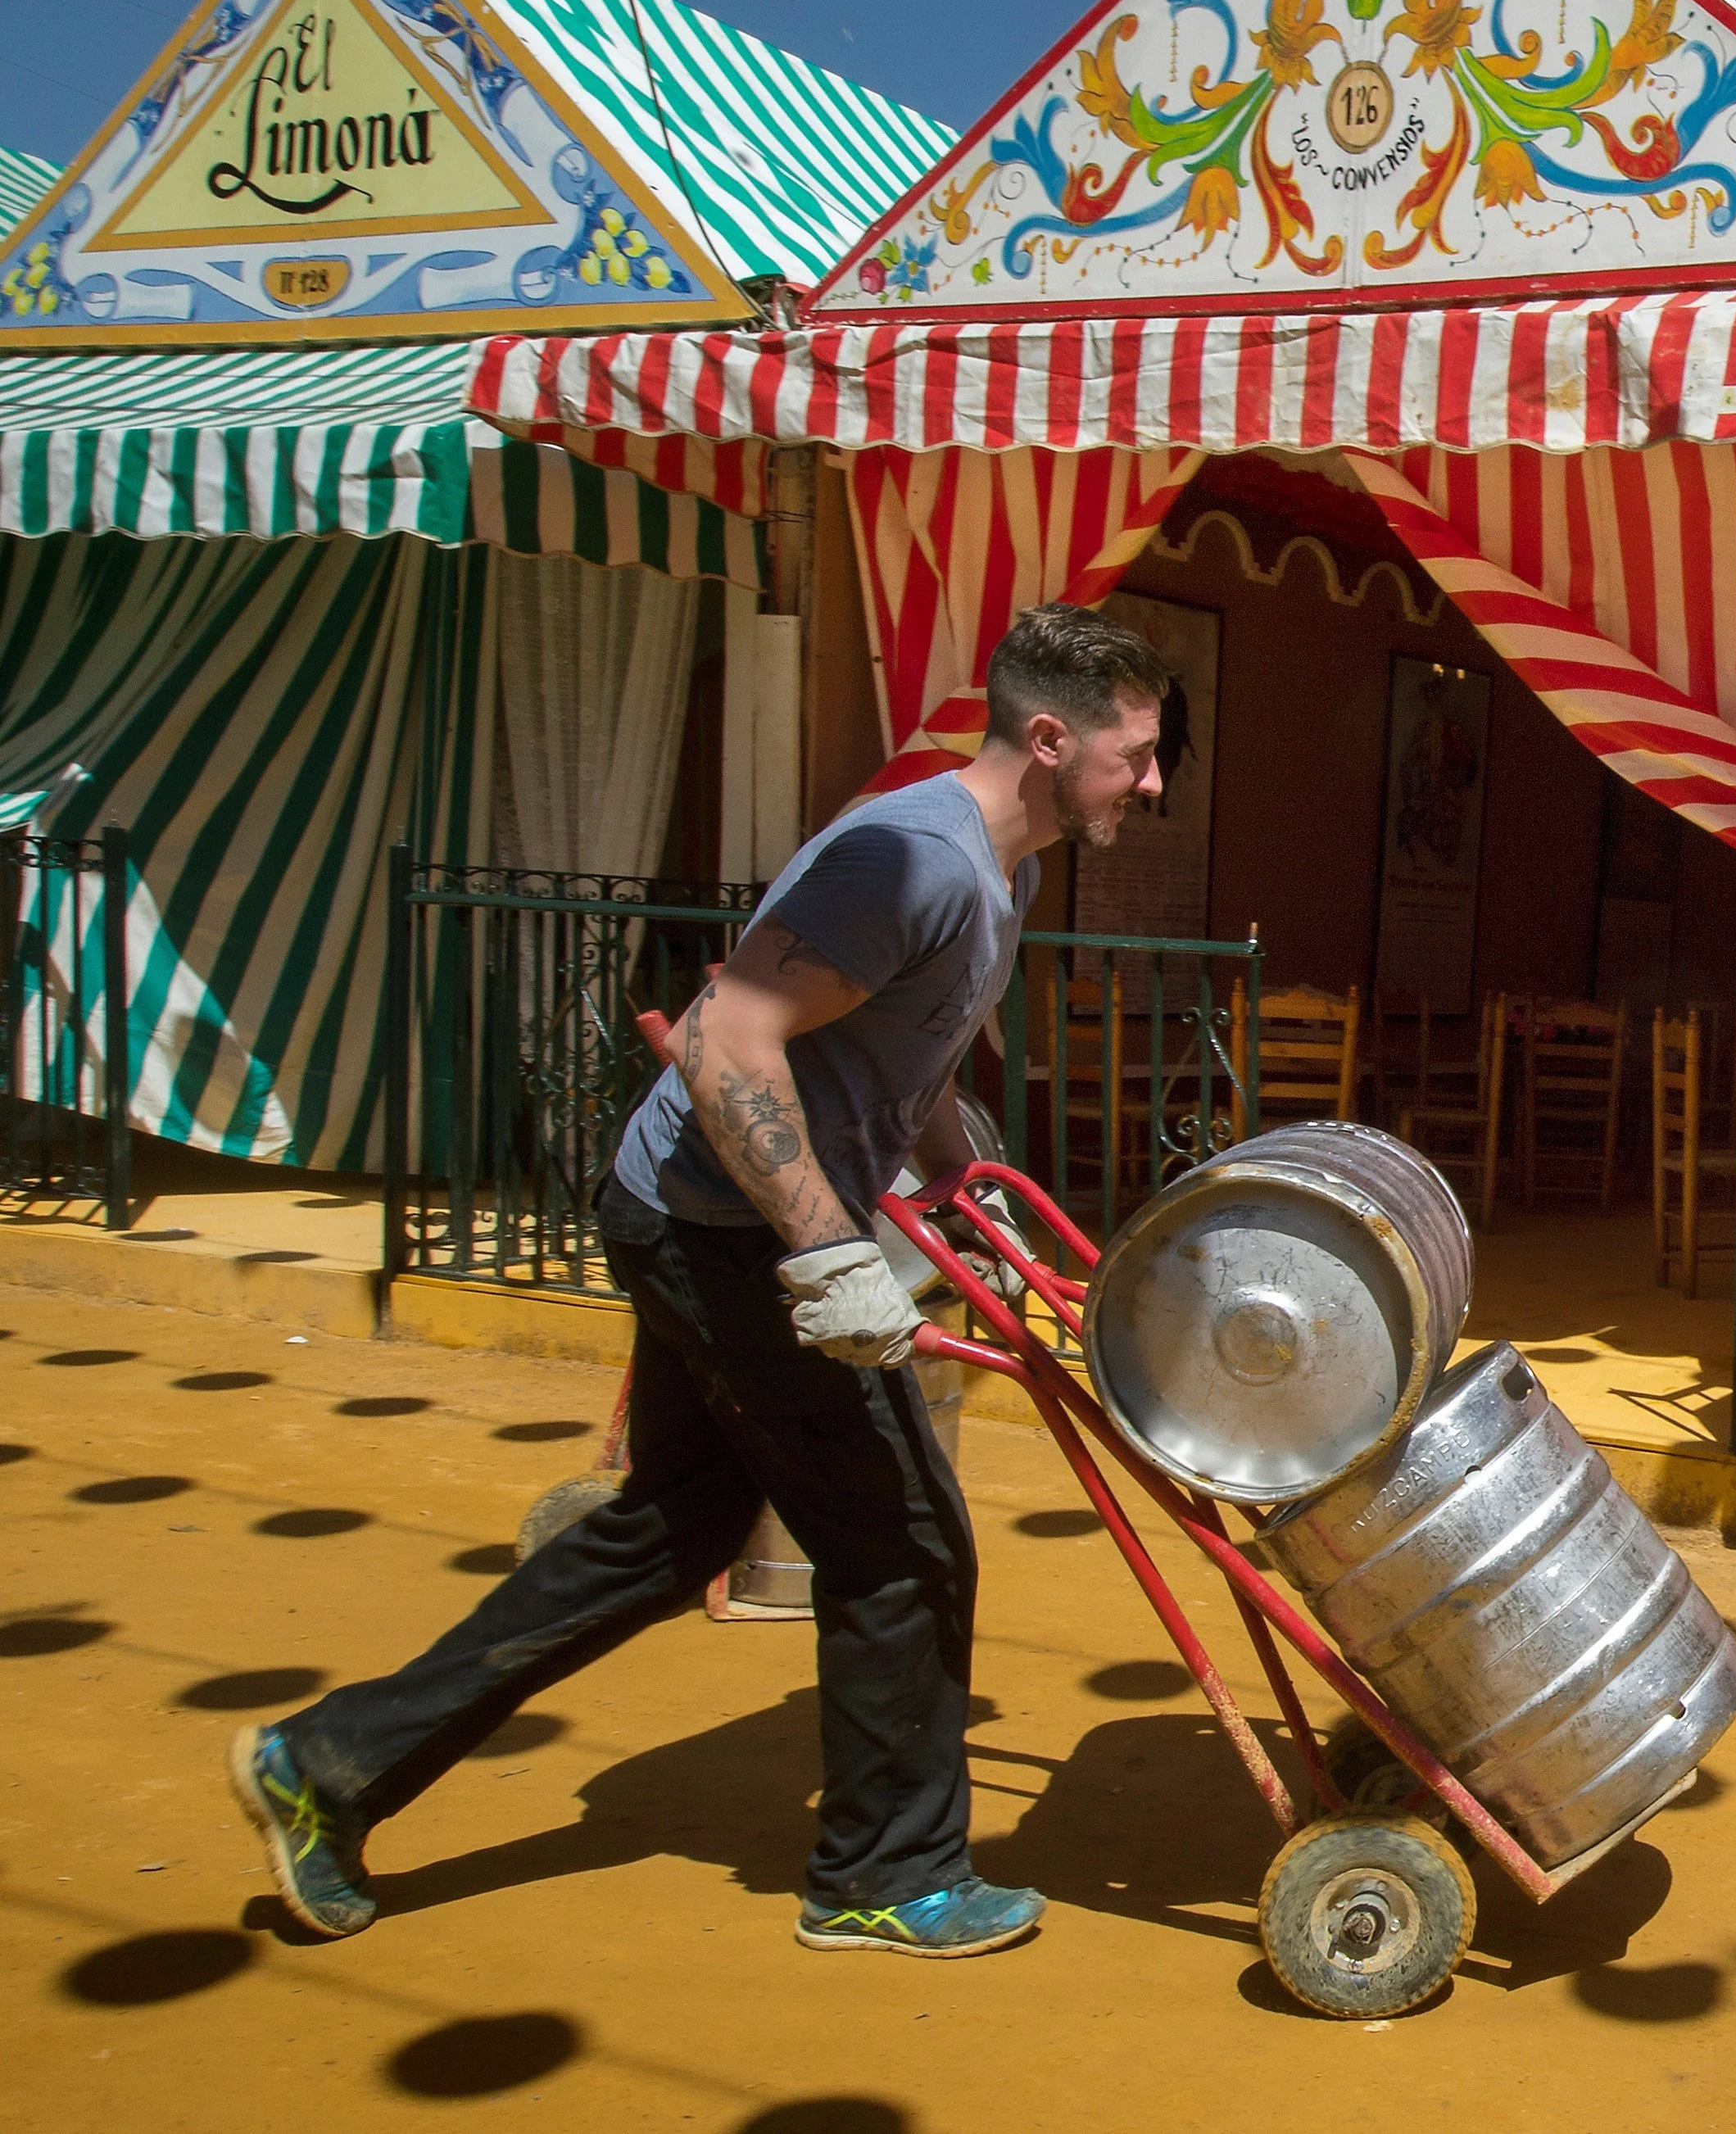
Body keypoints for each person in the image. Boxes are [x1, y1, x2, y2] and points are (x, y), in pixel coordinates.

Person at [228, 605, 1172, 1959]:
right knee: (900, 1542)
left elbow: (906, 1052)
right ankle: (884, 1876)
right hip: (722, 1227)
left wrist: (963, 1174)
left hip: (706, 1212)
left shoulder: (1003, 871)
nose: (1152, 780)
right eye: (1133, 754)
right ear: (1045, 738)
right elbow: (733, 1044)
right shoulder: (915, 860)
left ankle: (321, 1768)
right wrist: (833, 1256)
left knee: (667, 1534)